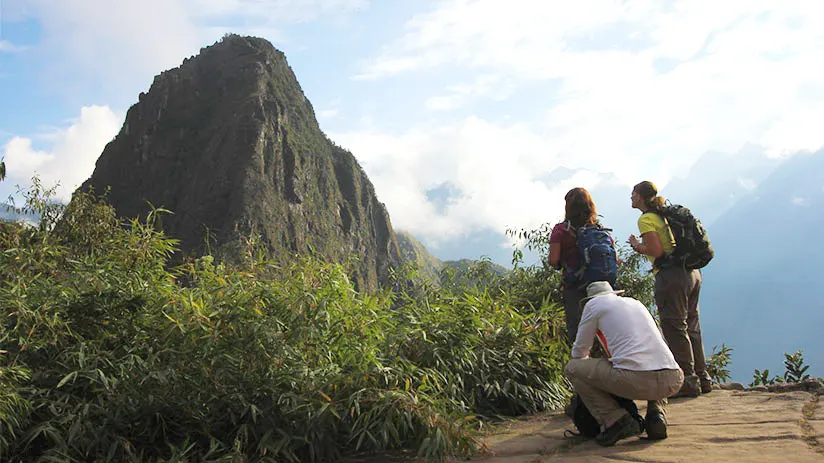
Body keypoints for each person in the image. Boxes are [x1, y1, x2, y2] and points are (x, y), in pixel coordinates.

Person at [566, 281, 683, 446]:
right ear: (616, 294)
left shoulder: (594, 305)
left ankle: (615, 420)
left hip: (637, 380)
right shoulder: (636, 303)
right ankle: (656, 413)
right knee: (651, 360)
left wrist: (594, 382)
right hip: (673, 377)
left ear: (589, 299)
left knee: (573, 368)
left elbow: (579, 353)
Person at [628, 181, 713, 397]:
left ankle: (686, 381)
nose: (631, 197)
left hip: (671, 277)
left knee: (675, 327)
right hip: (691, 273)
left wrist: (637, 246)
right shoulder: (666, 214)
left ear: (641, 197)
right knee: (692, 325)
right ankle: (703, 378)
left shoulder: (647, 219)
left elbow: (656, 251)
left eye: (634, 194)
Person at [548, 187, 617, 345]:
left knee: (578, 335)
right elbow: (614, 259)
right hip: (603, 288)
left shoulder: (561, 230)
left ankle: (581, 366)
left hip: (575, 289)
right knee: (605, 333)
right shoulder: (600, 230)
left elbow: (553, 260)